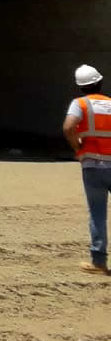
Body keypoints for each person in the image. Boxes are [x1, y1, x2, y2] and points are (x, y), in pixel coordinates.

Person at [63, 63, 111, 275]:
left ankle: (99, 262)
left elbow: (68, 127)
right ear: (100, 83)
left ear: (81, 87)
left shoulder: (79, 104)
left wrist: (77, 146)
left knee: (97, 213)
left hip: (92, 166)